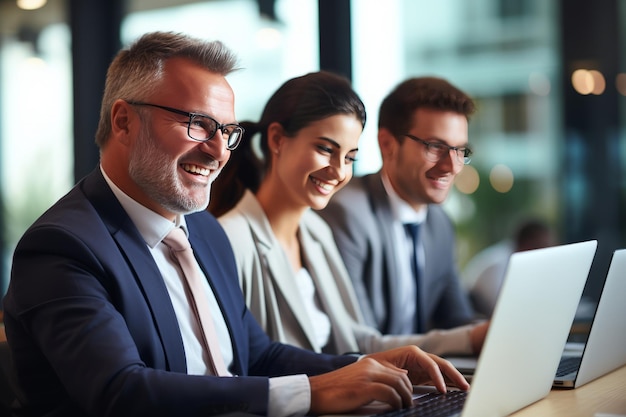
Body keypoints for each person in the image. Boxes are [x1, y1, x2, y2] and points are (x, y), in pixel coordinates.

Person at [2, 32, 470, 417]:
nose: (219, 151)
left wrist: (362, 366)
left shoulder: (203, 231)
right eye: (198, 124)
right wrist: (310, 393)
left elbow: (258, 355)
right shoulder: (63, 247)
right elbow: (121, 392)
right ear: (124, 122)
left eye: (226, 131)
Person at [211, 71, 487, 359]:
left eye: (350, 157)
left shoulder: (315, 232)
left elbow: (355, 342)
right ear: (278, 139)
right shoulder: (230, 241)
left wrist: (469, 340)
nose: (339, 171)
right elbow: (244, 369)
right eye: (325, 149)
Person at [318, 77, 477, 336]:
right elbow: (359, 341)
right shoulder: (347, 213)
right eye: (436, 147)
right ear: (387, 144)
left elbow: (457, 321)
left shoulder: (439, 223)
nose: (452, 166)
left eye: (460, 150)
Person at [462, 218, 556, 317]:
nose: (548, 251)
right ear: (529, 244)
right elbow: (501, 309)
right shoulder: (495, 265)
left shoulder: (519, 261)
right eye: (544, 246)